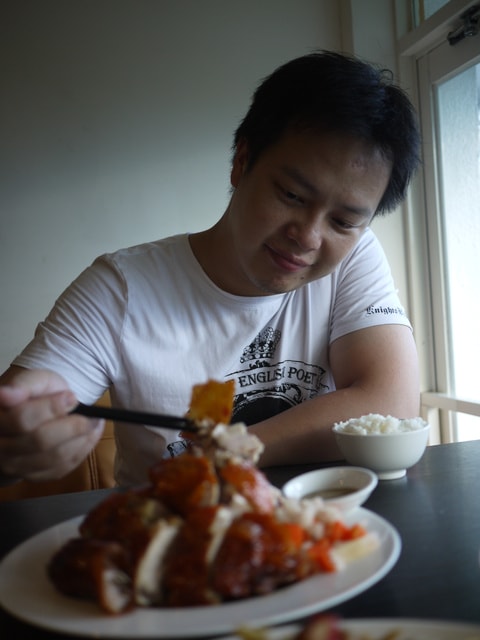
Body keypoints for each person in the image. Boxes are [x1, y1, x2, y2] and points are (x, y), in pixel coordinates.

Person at [0, 50, 421, 487]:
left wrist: (230, 449)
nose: (309, 237)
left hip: (322, 523)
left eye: (344, 222)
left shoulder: (353, 258)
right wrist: (17, 438)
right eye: (292, 195)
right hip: (169, 526)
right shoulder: (122, 289)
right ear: (242, 161)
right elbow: (22, 409)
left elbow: (391, 403)